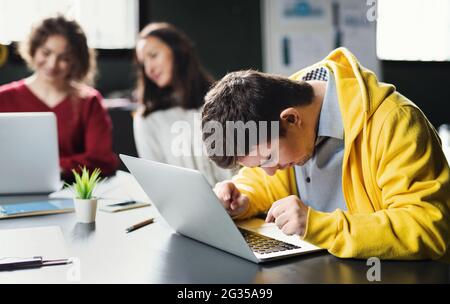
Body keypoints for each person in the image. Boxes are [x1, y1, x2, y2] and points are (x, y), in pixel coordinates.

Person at [201, 47, 450, 260]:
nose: (269, 170)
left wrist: (317, 225)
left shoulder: (396, 121)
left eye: (268, 158)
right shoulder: (286, 113)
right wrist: (242, 197)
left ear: (290, 119)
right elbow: (266, 182)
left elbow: (428, 227)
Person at [0, 16, 118, 181]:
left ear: (76, 61)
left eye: (65, 58)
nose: (52, 64)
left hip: (72, 191)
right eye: (46, 53)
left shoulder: (89, 101)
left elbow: (102, 159)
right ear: (33, 49)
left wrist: (56, 168)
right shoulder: (3, 98)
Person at [133, 22, 233, 186]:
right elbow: (157, 182)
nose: (149, 69)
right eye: (143, 64)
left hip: (239, 204)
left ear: (177, 50)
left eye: (153, 55)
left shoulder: (224, 100)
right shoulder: (147, 119)